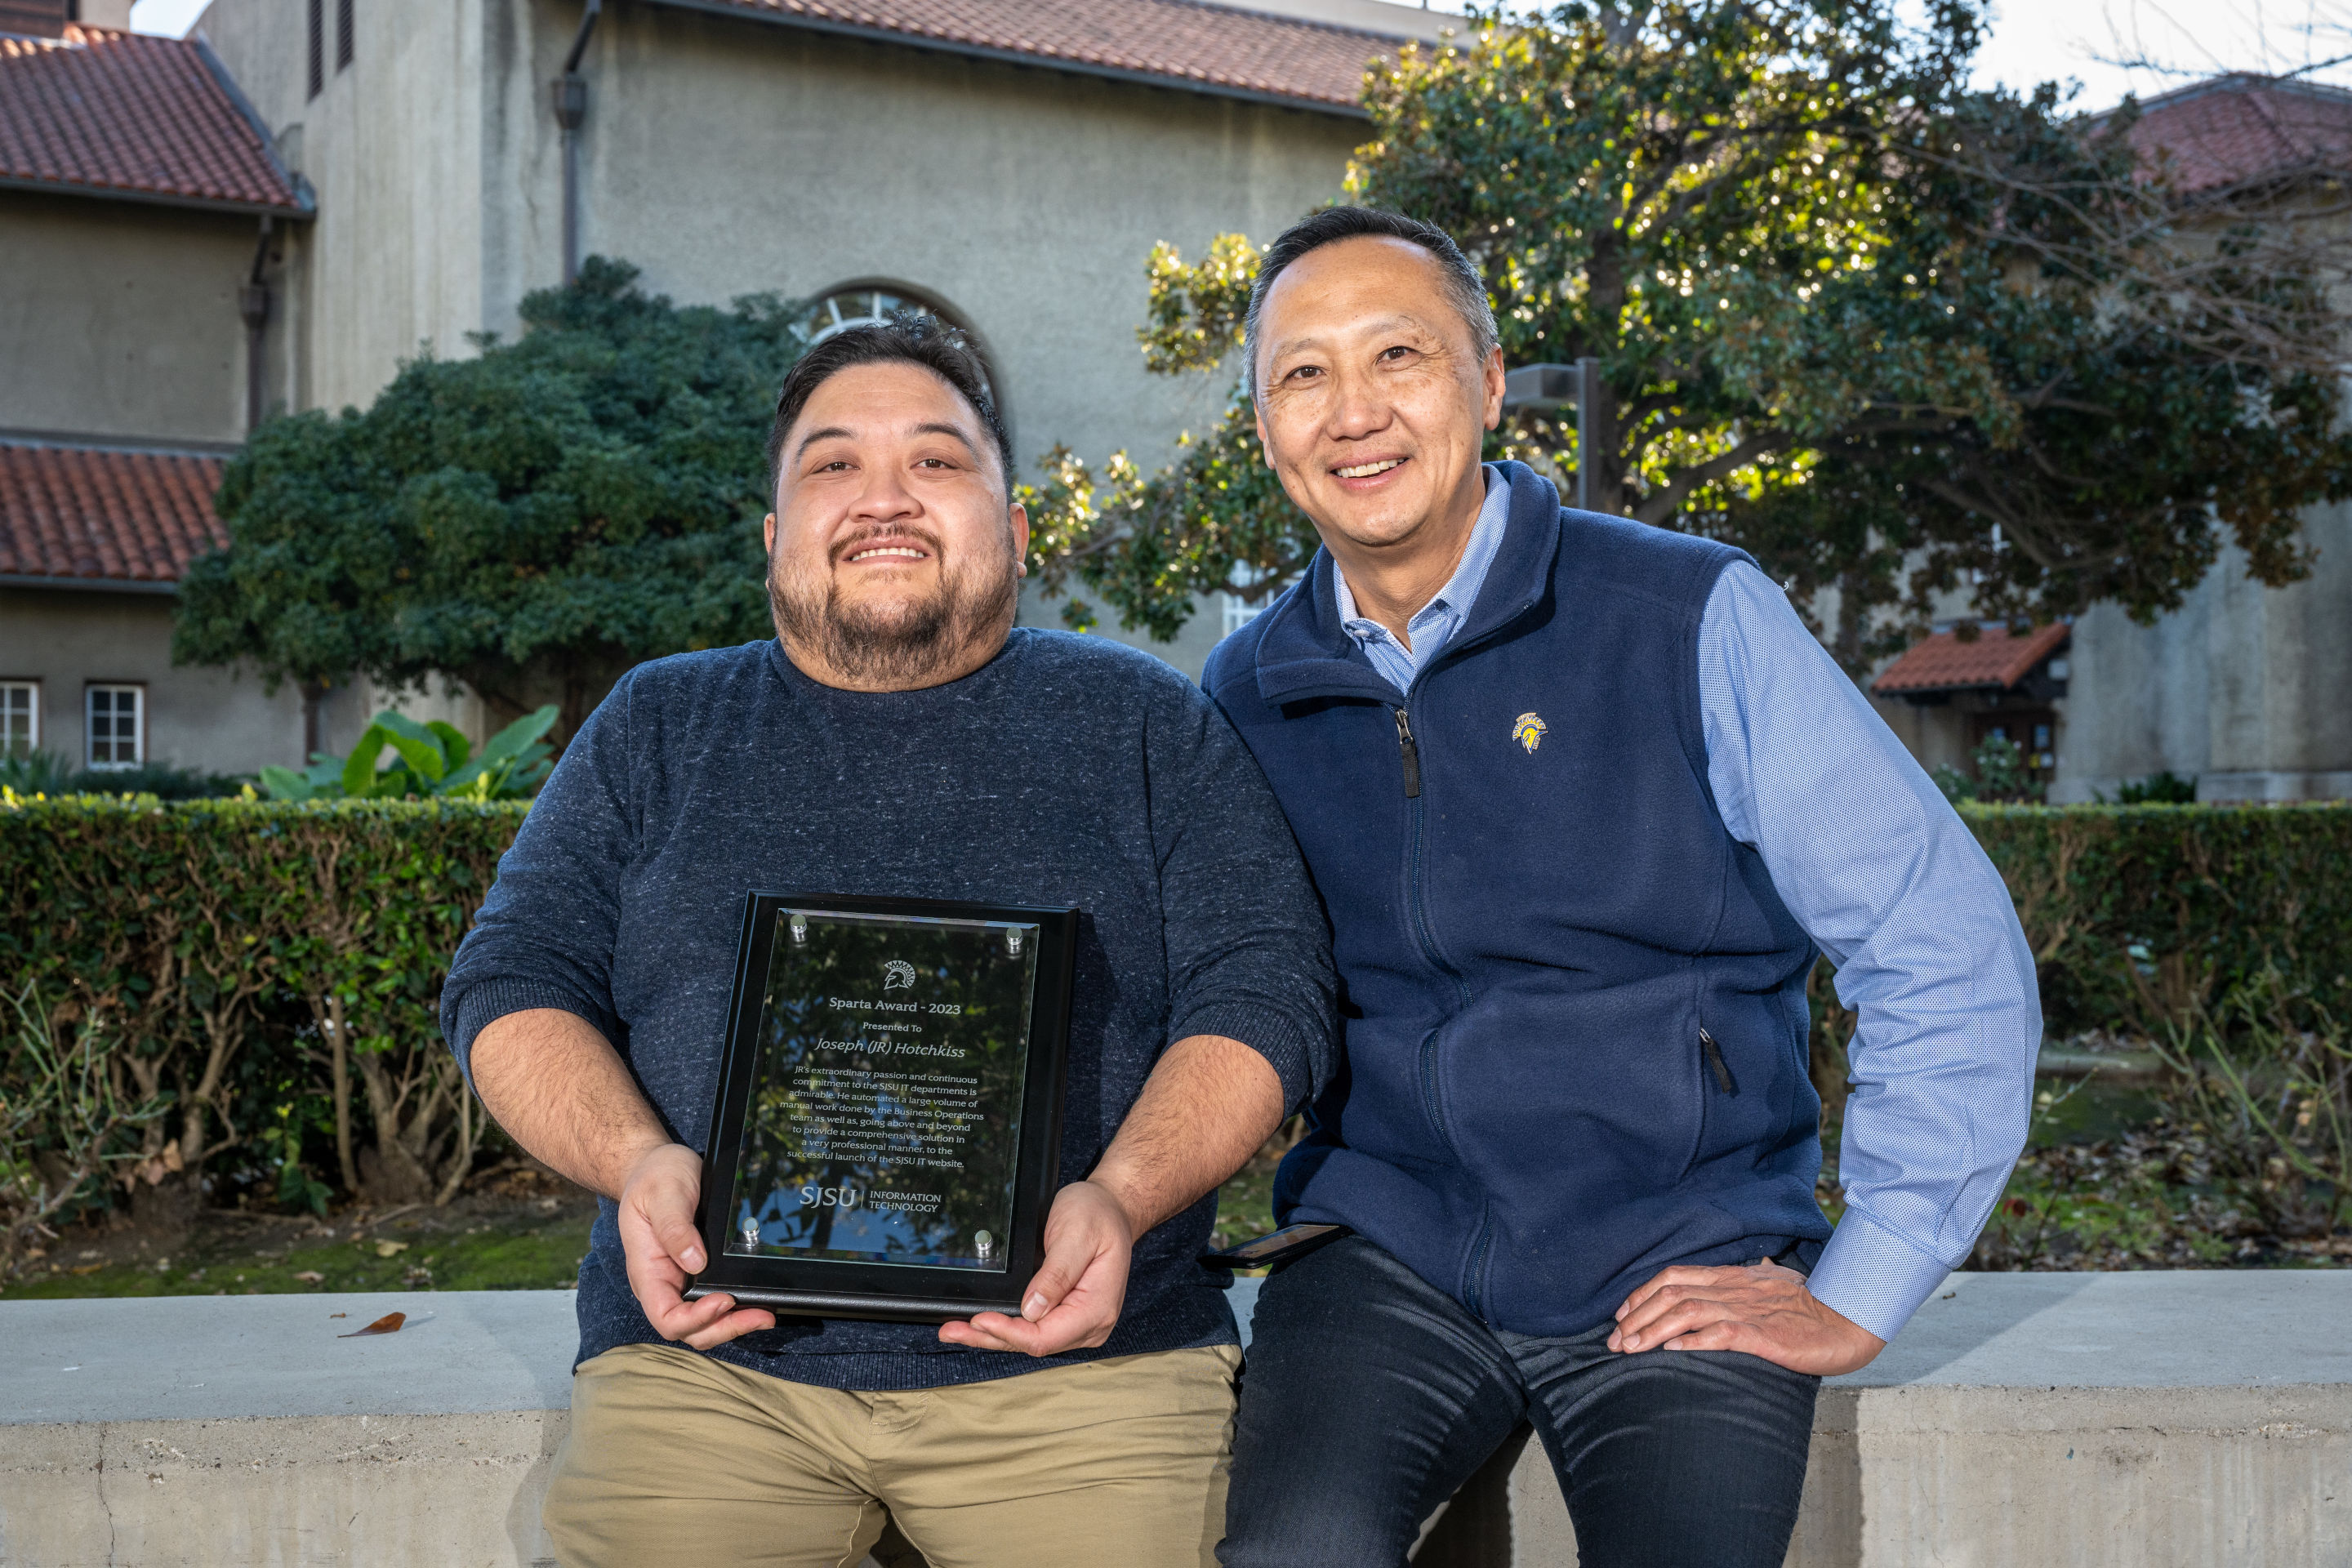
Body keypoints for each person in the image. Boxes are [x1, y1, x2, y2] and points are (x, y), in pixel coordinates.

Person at [1202, 207, 2039, 1567]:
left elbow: (1936, 937)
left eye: (1397, 355)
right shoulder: (1248, 688)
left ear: (1484, 382)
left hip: (1681, 1247)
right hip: (1386, 1255)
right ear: (1265, 429)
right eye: (1303, 374)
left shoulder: (1687, 613)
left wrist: (1867, 1279)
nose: (1353, 412)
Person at [443, 315, 1334, 1568]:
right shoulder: (658, 725)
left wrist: (1122, 1204)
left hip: (1084, 1365)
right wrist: (635, 1161)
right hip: (714, 1369)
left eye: (935, 460)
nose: (884, 500)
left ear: (1015, 526)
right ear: (773, 538)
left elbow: (1266, 992)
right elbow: (511, 981)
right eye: (832, 464)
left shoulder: (1145, 724)